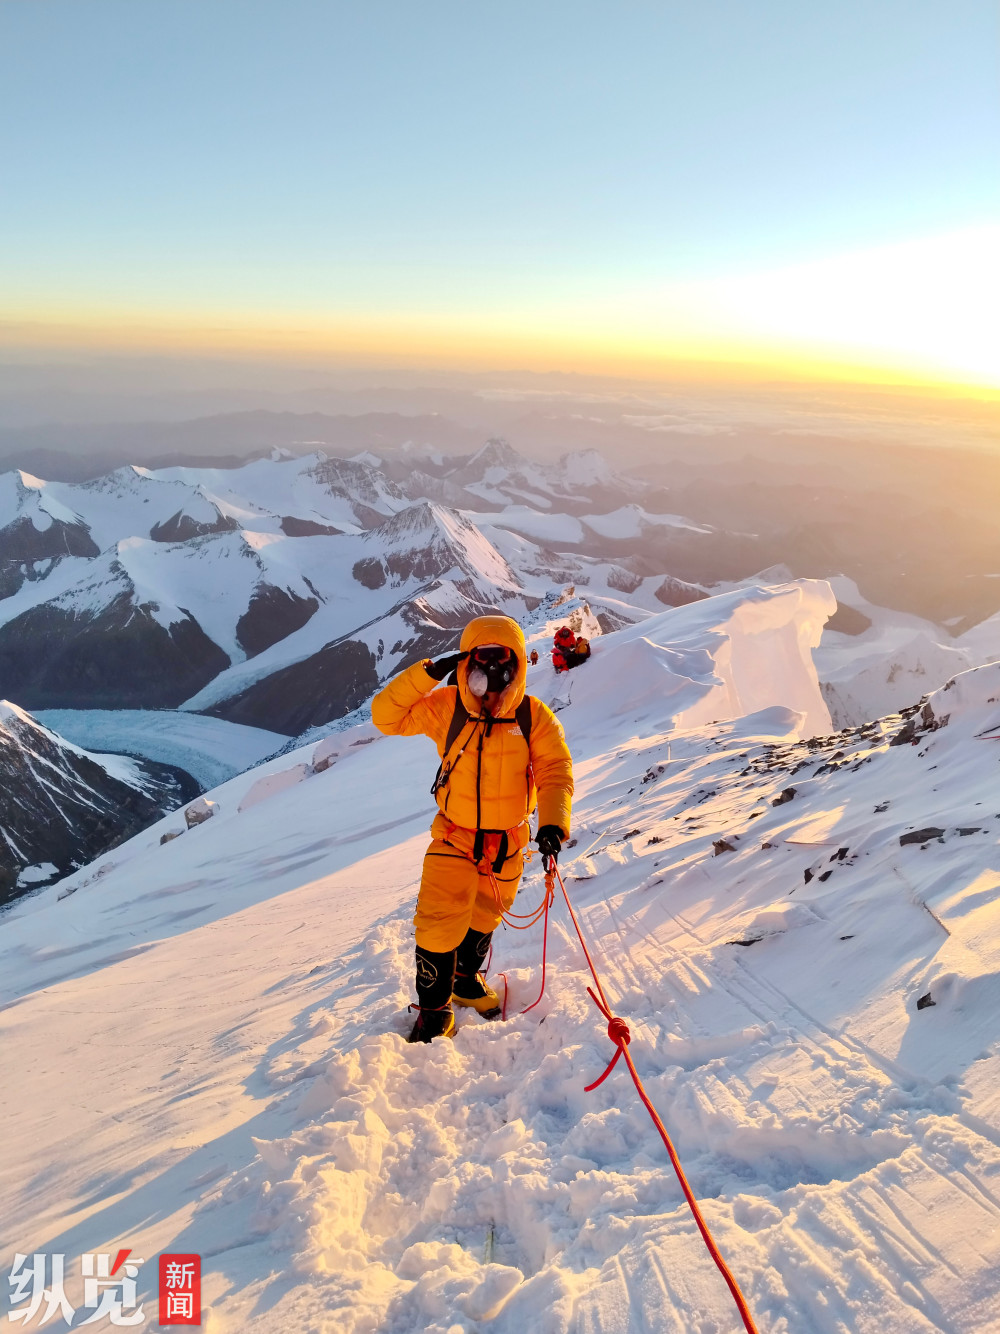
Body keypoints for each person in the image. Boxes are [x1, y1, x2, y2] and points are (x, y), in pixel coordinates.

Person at [372, 614, 574, 1043]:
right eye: (481, 660)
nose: (492, 672)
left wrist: (554, 824)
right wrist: (427, 673)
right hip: (454, 835)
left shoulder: (532, 716)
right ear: (468, 662)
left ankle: (465, 982)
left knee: (484, 916)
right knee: (438, 921)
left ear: (517, 663)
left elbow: (556, 771)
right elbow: (385, 717)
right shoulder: (448, 707)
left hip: (508, 842)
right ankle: (434, 1012)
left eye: (502, 661)